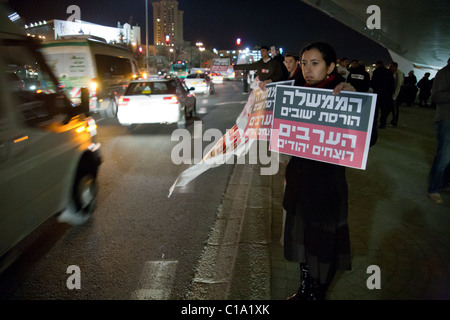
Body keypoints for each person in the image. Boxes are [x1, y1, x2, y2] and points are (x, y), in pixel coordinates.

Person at [283, 41, 355, 300]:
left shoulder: (344, 94)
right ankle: (305, 288)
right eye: (304, 63)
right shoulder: (293, 93)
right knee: (302, 240)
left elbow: (368, 140)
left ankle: (318, 293)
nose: (307, 69)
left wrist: (354, 102)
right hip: (299, 182)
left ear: (331, 66)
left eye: (315, 63)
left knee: (324, 246)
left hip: (326, 187)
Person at [427, 58, 450, 205]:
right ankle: (433, 189)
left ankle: (444, 183)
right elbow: (436, 96)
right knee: (443, 158)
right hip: (446, 120)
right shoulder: (444, 73)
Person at [371, 60, 395, 129]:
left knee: (375, 110)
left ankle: (374, 123)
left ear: (377, 65)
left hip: (377, 93)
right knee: (384, 110)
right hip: (386, 94)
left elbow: (373, 83)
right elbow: (392, 83)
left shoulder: (376, 71)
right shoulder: (389, 72)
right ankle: (383, 123)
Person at [389, 62, 404, 126]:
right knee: (392, 108)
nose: (390, 68)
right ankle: (393, 120)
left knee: (394, 109)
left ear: (395, 67)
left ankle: (394, 122)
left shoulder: (398, 74)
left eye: (391, 66)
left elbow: (398, 85)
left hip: (396, 94)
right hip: (393, 93)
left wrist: (395, 95)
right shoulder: (394, 73)